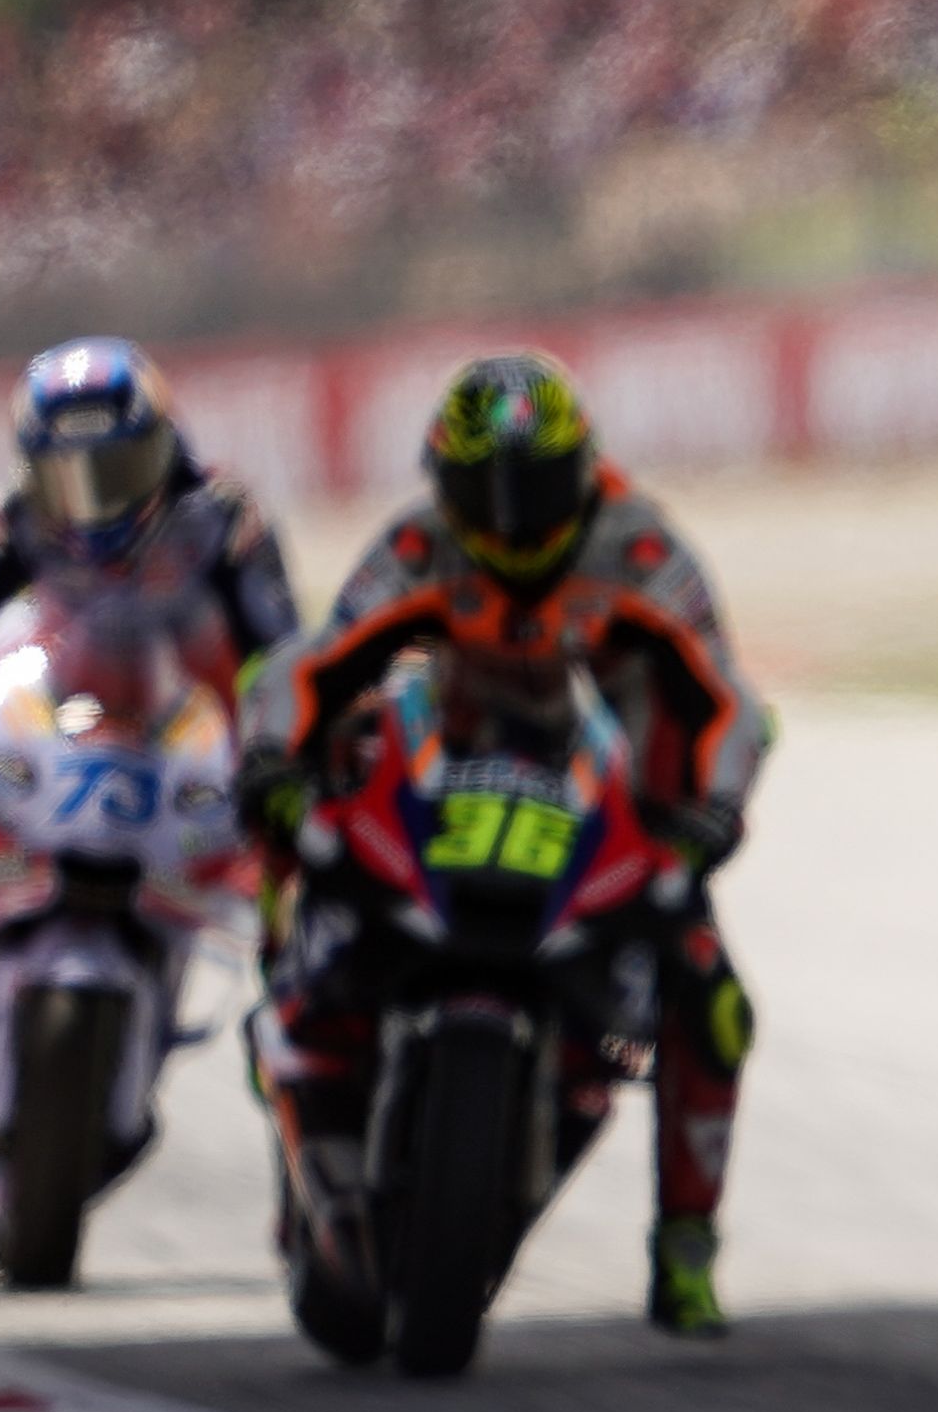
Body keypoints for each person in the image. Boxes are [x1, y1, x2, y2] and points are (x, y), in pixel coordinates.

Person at [237, 351, 767, 1337]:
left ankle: (685, 1248)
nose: (512, 521)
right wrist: (275, 760)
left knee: (712, 999)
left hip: (612, 806)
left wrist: (714, 813)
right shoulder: (420, 542)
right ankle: (292, 1031)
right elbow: (315, 662)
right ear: (445, 483)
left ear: (585, 470)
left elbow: (729, 702)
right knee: (301, 848)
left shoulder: (642, 550)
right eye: (485, 492)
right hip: (439, 786)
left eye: (537, 488)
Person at [0, 340, 297, 1036]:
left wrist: (277, 751)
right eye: (64, 475)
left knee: (295, 815)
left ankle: (292, 998)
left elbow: (281, 653)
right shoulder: (5, 517)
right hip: (49, 696)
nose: (93, 499)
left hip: (186, 716)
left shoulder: (222, 518)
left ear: (160, 447)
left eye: (116, 469)